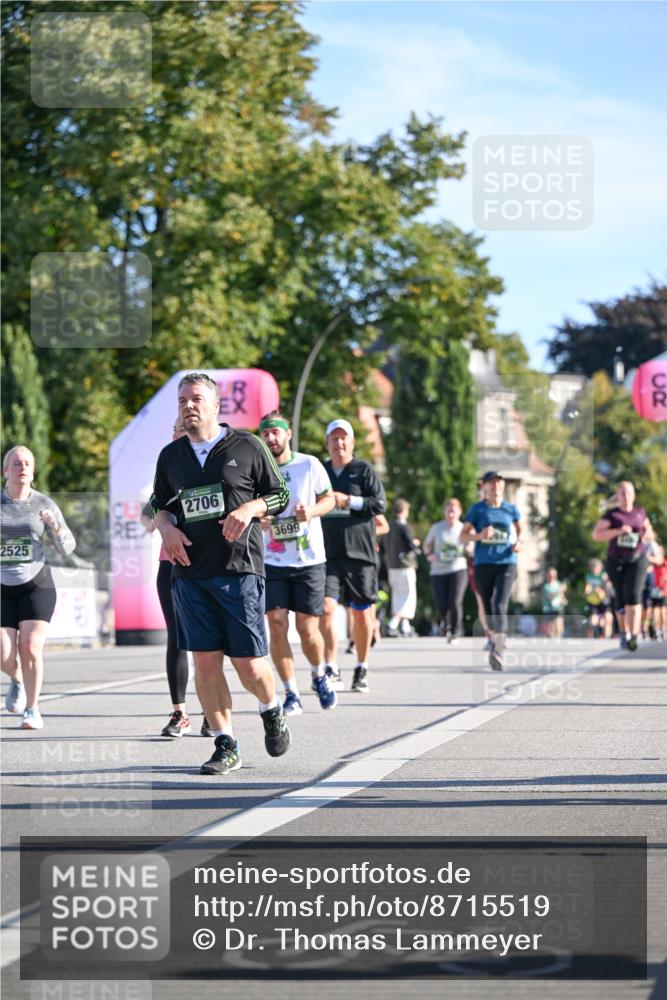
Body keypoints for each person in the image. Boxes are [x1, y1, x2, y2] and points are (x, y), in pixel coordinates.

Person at [150, 372, 291, 775]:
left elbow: (279, 494)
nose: (188, 406)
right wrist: (165, 527)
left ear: (215, 405)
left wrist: (250, 509)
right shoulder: (171, 456)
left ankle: (271, 708)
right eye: (182, 401)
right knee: (205, 662)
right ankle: (225, 743)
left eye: (196, 399)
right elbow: (159, 505)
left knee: (249, 664)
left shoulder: (247, 445)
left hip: (239, 570)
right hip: (189, 574)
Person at [258, 410, 336, 714]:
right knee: (276, 624)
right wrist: (260, 518)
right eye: (265, 433)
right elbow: (249, 505)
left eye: (275, 432)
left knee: (307, 628)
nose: (270, 438)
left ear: (288, 433)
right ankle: (291, 693)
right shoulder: (258, 468)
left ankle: (319, 675)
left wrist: (311, 512)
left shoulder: (309, 464)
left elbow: (329, 499)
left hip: (309, 559)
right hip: (273, 559)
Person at [141, 419, 211, 738]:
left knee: (208, 640)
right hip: (169, 566)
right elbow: (147, 517)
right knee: (178, 637)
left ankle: (212, 710)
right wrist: (162, 519)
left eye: (181, 431)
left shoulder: (210, 469)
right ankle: (180, 713)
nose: (176, 436)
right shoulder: (168, 472)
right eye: (174, 431)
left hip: (205, 564)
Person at [1, 446, 75, 730]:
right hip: (2, 585)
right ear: (5, 471)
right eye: (16, 463)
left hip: (36, 583)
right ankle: (17, 679)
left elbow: (67, 548)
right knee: (3, 653)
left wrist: (55, 527)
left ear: (33, 472)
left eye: (27, 463)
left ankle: (32, 709)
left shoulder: (44, 503)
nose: (22, 467)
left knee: (30, 646)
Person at [320, 419, 386, 693]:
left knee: (360, 615)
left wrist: (348, 500)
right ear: (327, 443)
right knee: (325, 608)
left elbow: (379, 504)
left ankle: (361, 667)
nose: (339, 443)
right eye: (334, 439)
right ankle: (331, 666)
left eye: (343, 438)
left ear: (352, 442)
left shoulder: (363, 470)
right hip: (327, 554)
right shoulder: (320, 471)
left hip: (360, 555)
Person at [461, 472, 522, 671]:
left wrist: (519, 543)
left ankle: (498, 651)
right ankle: (494, 639)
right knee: (487, 608)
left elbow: (519, 530)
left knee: (500, 604)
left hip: (506, 562)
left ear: (503, 486)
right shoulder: (477, 510)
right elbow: (462, 537)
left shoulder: (511, 509)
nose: (495, 486)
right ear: (485, 487)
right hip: (483, 563)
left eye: (498, 482)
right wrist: (479, 536)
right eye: (491, 483)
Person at [592, 480, 654, 652]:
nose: (626, 496)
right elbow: (596, 535)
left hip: (637, 558)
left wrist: (647, 533)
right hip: (616, 560)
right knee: (620, 597)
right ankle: (624, 632)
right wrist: (618, 531)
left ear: (633, 496)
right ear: (618, 496)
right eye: (623, 493)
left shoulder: (640, 512)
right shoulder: (612, 515)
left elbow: (649, 530)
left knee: (633, 594)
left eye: (629, 493)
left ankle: (634, 635)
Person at [423, 498, 468, 644]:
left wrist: (469, 548)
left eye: (453, 511)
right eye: (448, 511)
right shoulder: (437, 528)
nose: (451, 514)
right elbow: (427, 545)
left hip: (458, 568)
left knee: (455, 601)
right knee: (441, 604)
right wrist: (429, 555)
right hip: (438, 570)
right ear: (444, 512)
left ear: (459, 512)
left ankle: (455, 632)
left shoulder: (464, 528)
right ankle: (445, 622)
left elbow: (471, 544)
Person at [384, 499, 419, 638]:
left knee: (398, 596)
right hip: (405, 566)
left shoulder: (388, 526)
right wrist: (416, 544)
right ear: (405, 511)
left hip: (391, 566)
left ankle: (405, 627)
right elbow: (411, 545)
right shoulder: (404, 526)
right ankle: (393, 624)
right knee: (408, 597)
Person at [584, 558, 612, 639]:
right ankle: (595, 635)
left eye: (596, 567)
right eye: (593, 568)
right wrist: (588, 592)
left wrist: (602, 587)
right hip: (593, 601)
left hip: (603, 601)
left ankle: (606, 637)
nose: (594, 569)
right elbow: (587, 589)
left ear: (600, 568)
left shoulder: (604, 576)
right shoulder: (589, 576)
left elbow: (608, 587)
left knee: (607, 618)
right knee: (594, 619)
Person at [541, 566, 567, 638]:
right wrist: (559, 590)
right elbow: (550, 597)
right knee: (550, 629)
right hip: (548, 609)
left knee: (559, 625)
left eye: (554, 574)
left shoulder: (559, 584)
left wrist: (563, 599)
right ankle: (551, 639)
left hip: (558, 608)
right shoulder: (546, 587)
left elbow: (562, 596)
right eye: (550, 574)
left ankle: (559, 638)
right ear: (547, 575)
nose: (552, 576)